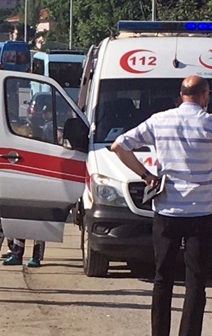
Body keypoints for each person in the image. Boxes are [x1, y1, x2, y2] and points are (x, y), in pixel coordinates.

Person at [111, 76, 212, 336]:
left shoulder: (159, 120)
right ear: (204, 95)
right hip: (201, 213)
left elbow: (119, 146)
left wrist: (146, 176)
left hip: (166, 211)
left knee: (162, 278)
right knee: (196, 281)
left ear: (181, 95)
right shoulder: (209, 124)